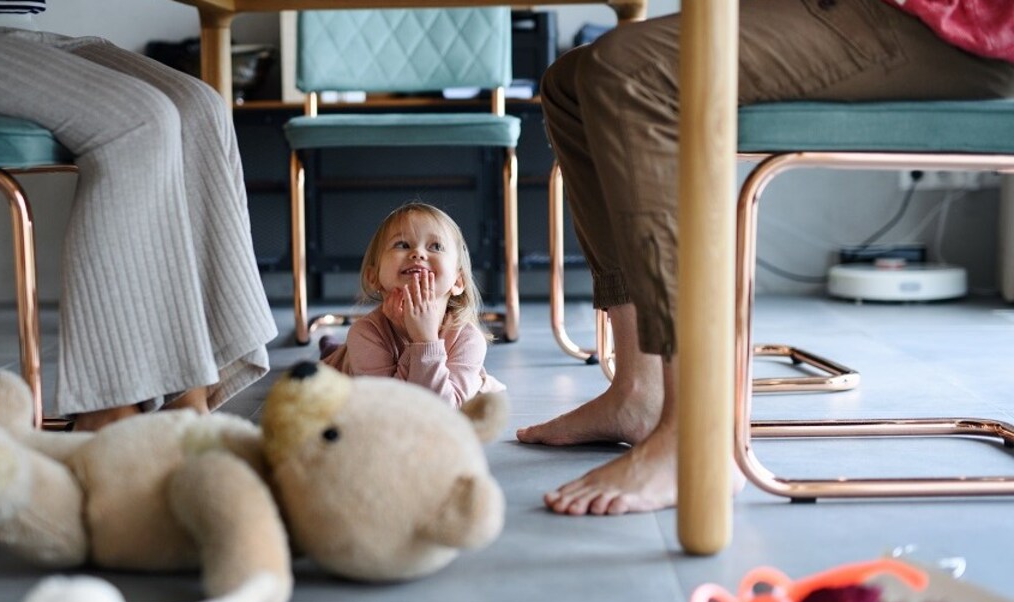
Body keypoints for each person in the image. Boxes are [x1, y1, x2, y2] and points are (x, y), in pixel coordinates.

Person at [517, 0, 1014, 515]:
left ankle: (698, 434)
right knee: (570, 82)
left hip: (953, 29)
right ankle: (639, 390)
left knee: (629, 73)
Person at [0, 1, 278, 431]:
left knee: (201, 107)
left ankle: (190, 402)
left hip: (12, 36)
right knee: (139, 121)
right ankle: (107, 413)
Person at [320, 202, 505, 408]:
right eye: (402, 245)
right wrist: (415, 340)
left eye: (436, 246)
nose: (418, 253)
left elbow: (441, 412)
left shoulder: (468, 340)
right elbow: (389, 410)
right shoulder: (365, 334)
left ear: (458, 281)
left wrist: (424, 341)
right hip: (355, 368)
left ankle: (332, 348)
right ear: (374, 277)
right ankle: (334, 351)